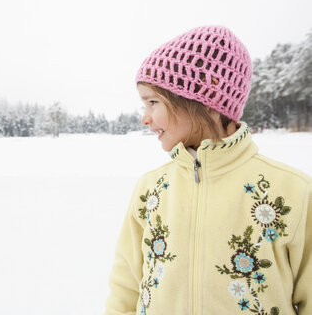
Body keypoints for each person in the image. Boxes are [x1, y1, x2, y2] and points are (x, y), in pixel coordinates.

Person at [104, 26, 312, 314]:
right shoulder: (150, 190)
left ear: (205, 96)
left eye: (153, 102)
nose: (145, 118)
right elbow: (125, 289)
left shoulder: (291, 191)